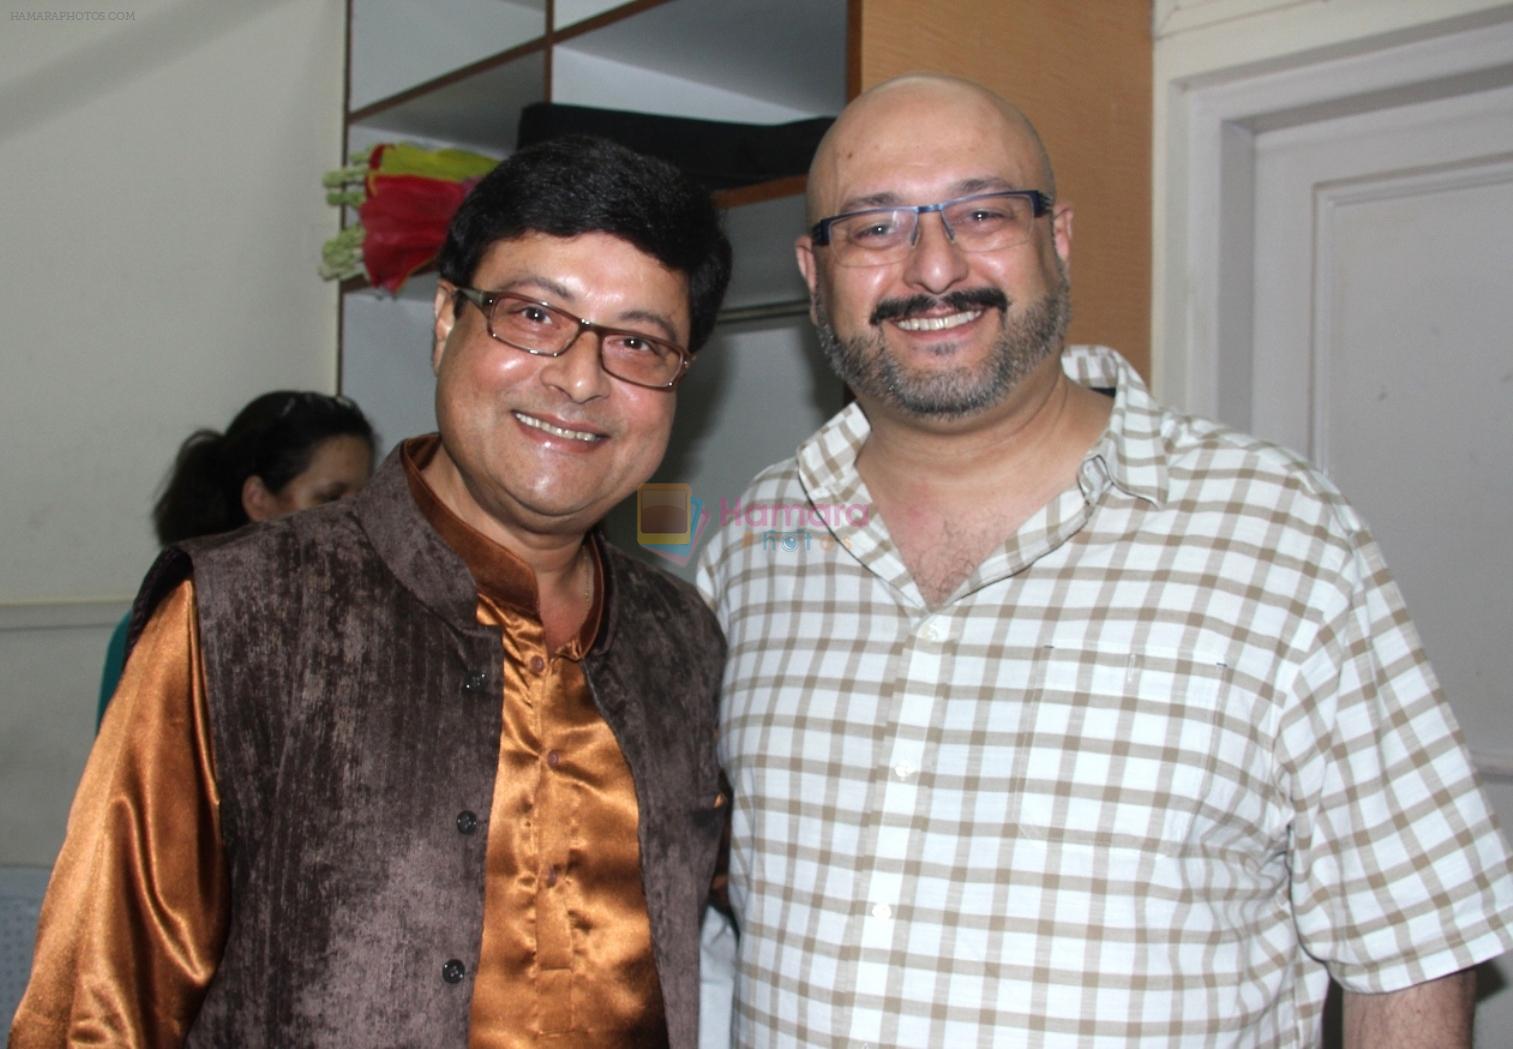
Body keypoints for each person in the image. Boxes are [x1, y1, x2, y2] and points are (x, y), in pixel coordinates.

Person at [697, 75, 1513, 1047]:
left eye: (982, 211)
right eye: (875, 228)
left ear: (1059, 238)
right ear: (812, 267)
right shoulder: (752, 548)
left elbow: (1410, 948)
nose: (933, 266)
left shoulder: (1280, 540)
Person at [13, 134, 732, 1047]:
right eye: (534, 316)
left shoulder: (684, 645)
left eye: (637, 341)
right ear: (445, 322)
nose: (580, 378)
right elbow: (95, 1010)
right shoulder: (243, 614)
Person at [95, 390, 375, 724]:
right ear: (258, 500)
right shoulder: (176, 631)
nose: (358, 516)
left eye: (367, 496)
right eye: (331, 497)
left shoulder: (367, 616)